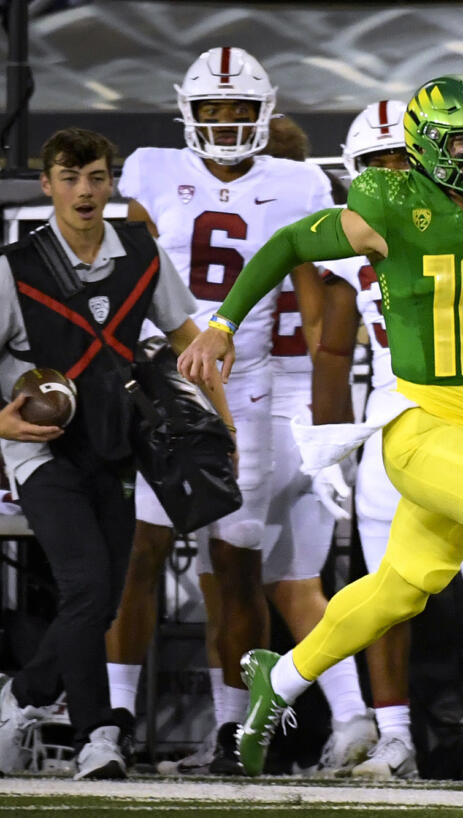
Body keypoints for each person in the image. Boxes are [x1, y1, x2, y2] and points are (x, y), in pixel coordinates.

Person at [176, 73, 463, 777]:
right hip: (420, 428)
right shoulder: (389, 201)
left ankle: (287, 678)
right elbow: (289, 243)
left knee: (401, 584)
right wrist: (221, 323)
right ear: (424, 148)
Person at [105, 46, 337, 775]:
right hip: (162, 384)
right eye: (214, 110)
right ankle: (109, 723)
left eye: (241, 110)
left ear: (266, 114)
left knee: (235, 563)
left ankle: (239, 731)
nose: (229, 123)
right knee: (139, 554)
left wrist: (328, 418)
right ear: (189, 113)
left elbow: (318, 314)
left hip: (251, 385)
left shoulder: (299, 182)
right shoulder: (150, 171)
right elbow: (126, 272)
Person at [0, 128, 231, 779]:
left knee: (99, 602)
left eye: (96, 178)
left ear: (112, 183)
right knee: (87, 586)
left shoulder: (140, 252)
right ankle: (99, 735)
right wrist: (4, 423)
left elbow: (192, 343)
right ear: (47, 185)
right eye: (70, 179)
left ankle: (22, 695)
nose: (84, 192)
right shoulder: (13, 268)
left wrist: (222, 429)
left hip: (116, 446)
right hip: (41, 455)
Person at [309, 99, 463, 781]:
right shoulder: (347, 238)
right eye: (378, 163)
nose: (393, 174)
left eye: (403, 159)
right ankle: (394, 737)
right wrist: (330, 441)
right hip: (389, 421)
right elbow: (334, 352)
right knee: (383, 585)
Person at [256, 115, 378, 776]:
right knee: (296, 583)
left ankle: (233, 726)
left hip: (266, 400)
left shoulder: (316, 228)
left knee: (242, 578)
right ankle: (351, 713)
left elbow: (321, 335)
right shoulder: (339, 219)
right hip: (326, 404)